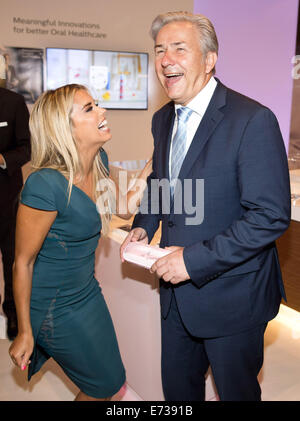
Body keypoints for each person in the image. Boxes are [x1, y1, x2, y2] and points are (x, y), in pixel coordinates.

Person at [121, 11, 291, 401]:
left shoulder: (253, 120)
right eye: (160, 50)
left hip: (233, 297)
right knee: (179, 394)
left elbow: (269, 216)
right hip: (175, 298)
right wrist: (144, 224)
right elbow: (161, 181)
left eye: (179, 49)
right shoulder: (163, 119)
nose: (165, 59)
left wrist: (191, 262)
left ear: (210, 59)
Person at [9, 84, 152, 401]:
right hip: (52, 306)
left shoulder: (98, 160)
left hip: (87, 293)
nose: (102, 111)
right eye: (89, 108)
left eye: (97, 104)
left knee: (109, 381)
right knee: (103, 384)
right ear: (65, 127)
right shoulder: (44, 184)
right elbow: (22, 262)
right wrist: (24, 331)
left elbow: (124, 206)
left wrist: (153, 164)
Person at [0, 74, 31, 341]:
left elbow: (26, 148)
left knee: (11, 258)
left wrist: (2, 158)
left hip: (6, 199)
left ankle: (12, 315)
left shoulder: (13, 102)